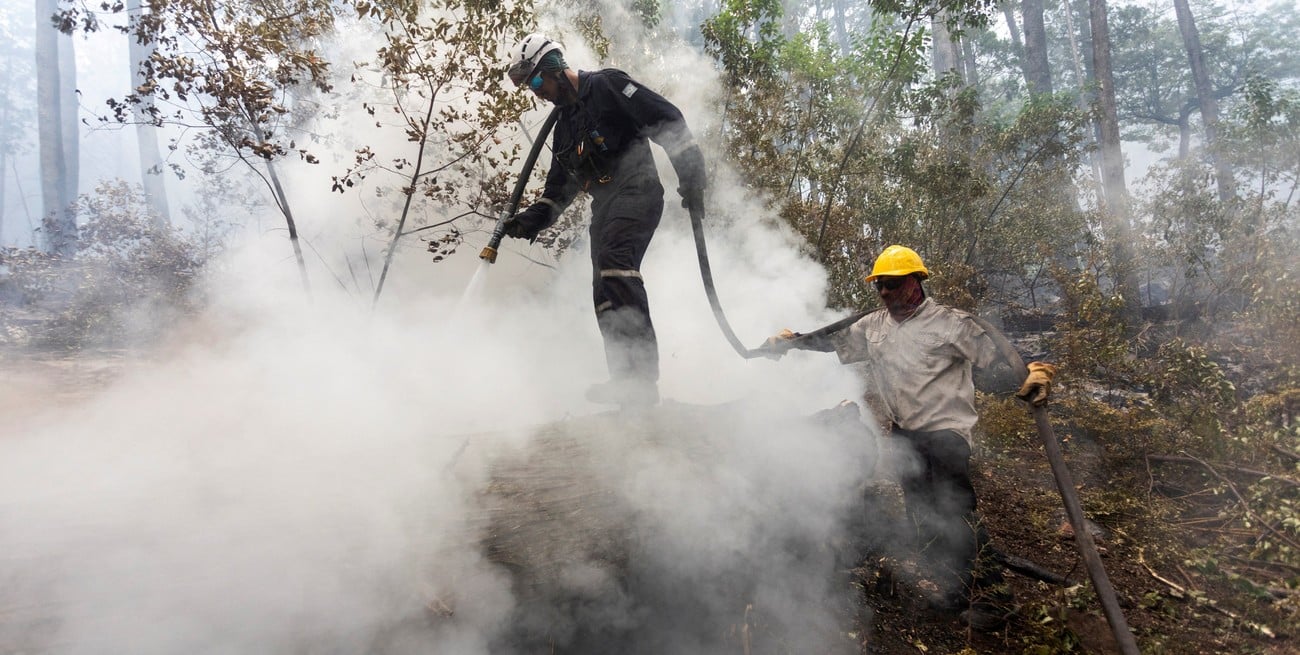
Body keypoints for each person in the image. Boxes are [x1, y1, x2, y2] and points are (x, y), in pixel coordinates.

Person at [765, 245, 1056, 630]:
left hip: (946, 431)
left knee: (955, 513)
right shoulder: (873, 326)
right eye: (879, 286)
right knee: (921, 515)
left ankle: (995, 602)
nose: (884, 292)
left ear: (915, 281)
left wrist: (1033, 369)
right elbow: (832, 342)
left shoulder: (952, 323)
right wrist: (793, 341)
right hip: (905, 432)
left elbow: (999, 354)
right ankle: (956, 590)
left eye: (892, 284)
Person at [501, 34, 708, 408]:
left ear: (553, 69)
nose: (538, 93)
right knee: (603, 290)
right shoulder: (563, 128)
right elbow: (558, 190)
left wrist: (691, 175)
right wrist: (526, 222)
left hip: (639, 193)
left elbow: (666, 119)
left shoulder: (608, 86)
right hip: (606, 207)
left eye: (536, 82)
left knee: (615, 267)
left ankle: (642, 381)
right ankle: (625, 381)